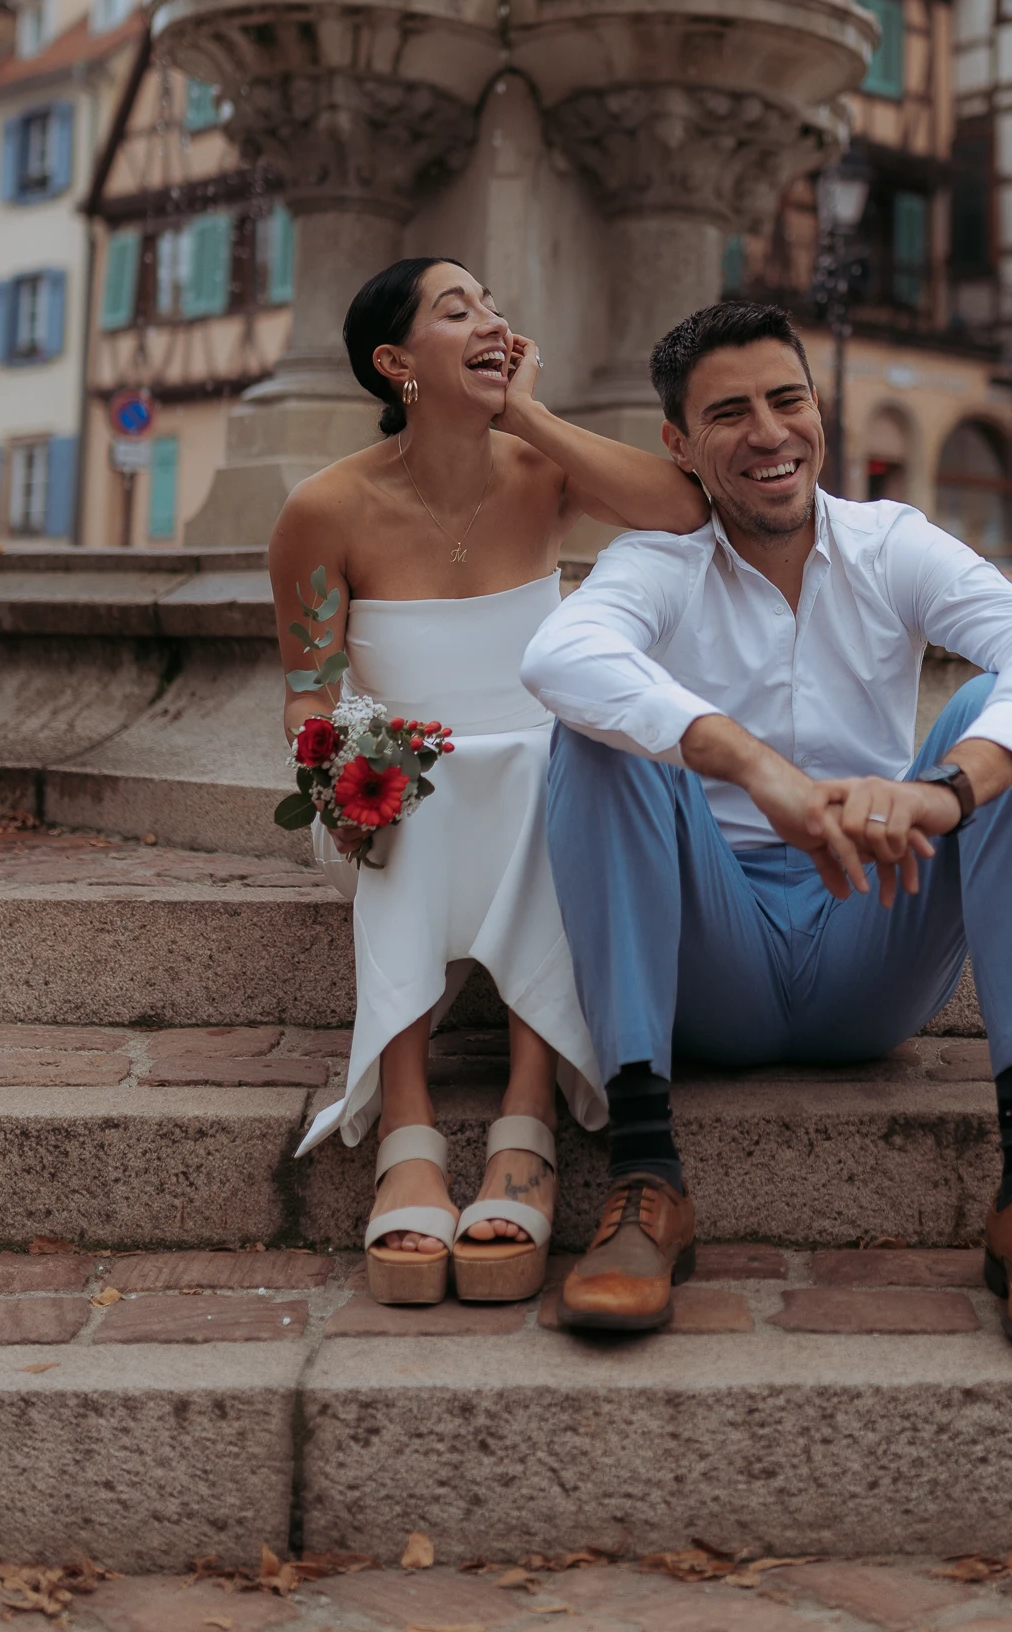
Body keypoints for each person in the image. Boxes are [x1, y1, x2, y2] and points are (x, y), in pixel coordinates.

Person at [521, 300, 1012, 1358]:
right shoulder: (660, 561)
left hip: (872, 932)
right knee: (599, 728)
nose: (768, 433)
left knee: (1010, 723)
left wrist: (945, 791)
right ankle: (645, 1183)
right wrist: (757, 768)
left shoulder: (893, 544)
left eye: (787, 400)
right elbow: (561, 656)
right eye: (729, 413)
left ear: (820, 414)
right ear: (679, 445)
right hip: (712, 949)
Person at [275, 257, 706, 1306]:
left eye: (495, 309)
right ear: (394, 362)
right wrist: (348, 774)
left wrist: (530, 413)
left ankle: (529, 1104)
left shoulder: (541, 472)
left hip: (533, 778)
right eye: (455, 310)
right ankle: (409, 1115)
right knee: (405, 779)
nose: (490, 322)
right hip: (392, 788)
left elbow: (684, 508)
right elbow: (313, 694)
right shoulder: (323, 510)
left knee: (553, 761)